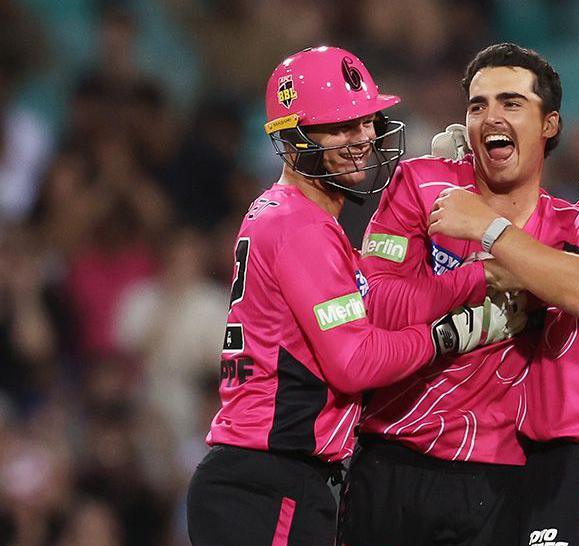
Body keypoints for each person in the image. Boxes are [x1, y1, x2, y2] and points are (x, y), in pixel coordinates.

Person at [339, 42, 579, 546]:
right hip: (395, 457)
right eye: (478, 105)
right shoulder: (426, 184)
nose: (491, 117)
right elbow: (377, 308)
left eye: (511, 103)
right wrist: (482, 277)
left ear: (549, 125)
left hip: (515, 473)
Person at [185, 46, 524, 546]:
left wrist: (477, 278)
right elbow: (356, 362)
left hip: (266, 479)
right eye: (342, 126)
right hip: (267, 481)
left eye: (367, 121)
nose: (364, 137)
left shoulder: (296, 218)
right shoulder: (301, 228)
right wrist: (450, 336)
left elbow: (380, 311)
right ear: (295, 139)